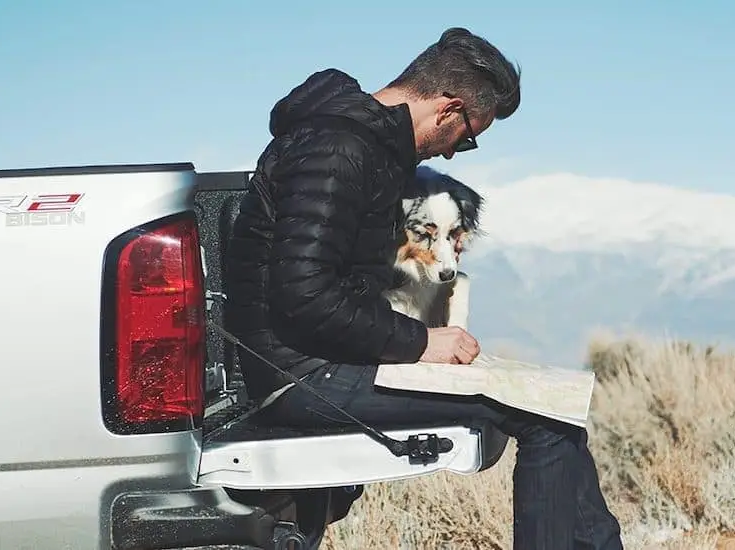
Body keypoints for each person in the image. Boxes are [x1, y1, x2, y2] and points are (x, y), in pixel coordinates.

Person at [222, 27, 624, 549]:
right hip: (301, 375)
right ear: (448, 109)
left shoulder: (365, 148)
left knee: (556, 405)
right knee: (542, 419)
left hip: (322, 359)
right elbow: (305, 293)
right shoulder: (339, 150)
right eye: (469, 135)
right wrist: (422, 343)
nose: (459, 153)